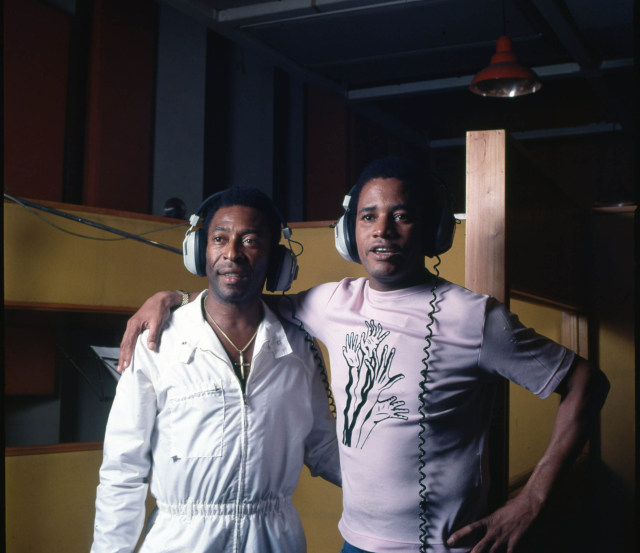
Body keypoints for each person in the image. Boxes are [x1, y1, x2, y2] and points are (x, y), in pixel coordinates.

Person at [118, 158, 609, 553]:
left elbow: (588, 382)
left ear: (432, 230)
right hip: (354, 544)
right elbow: (238, 297)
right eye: (369, 216)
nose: (383, 230)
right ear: (350, 232)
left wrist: (531, 501)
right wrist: (171, 299)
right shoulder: (329, 303)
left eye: (401, 215)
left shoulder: (475, 318)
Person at [92, 186, 341, 553]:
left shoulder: (298, 346)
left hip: (274, 540)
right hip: (179, 542)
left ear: (275, 258)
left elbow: (323, 448)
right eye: (219, 238)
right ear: (199, 252)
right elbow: (122, 469)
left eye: (251, 240)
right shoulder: (158, 342)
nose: (231, 253)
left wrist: (414, 500)